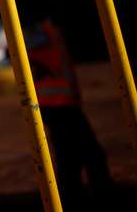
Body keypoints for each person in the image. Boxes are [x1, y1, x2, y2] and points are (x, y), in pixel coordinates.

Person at [26, 19, 113, 207]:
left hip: (59, 102)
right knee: (88, 156)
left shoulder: (42, 29)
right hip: (58, 103)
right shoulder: (41, 29)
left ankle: (74, 199)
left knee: (72, 158)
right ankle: (99, 198)